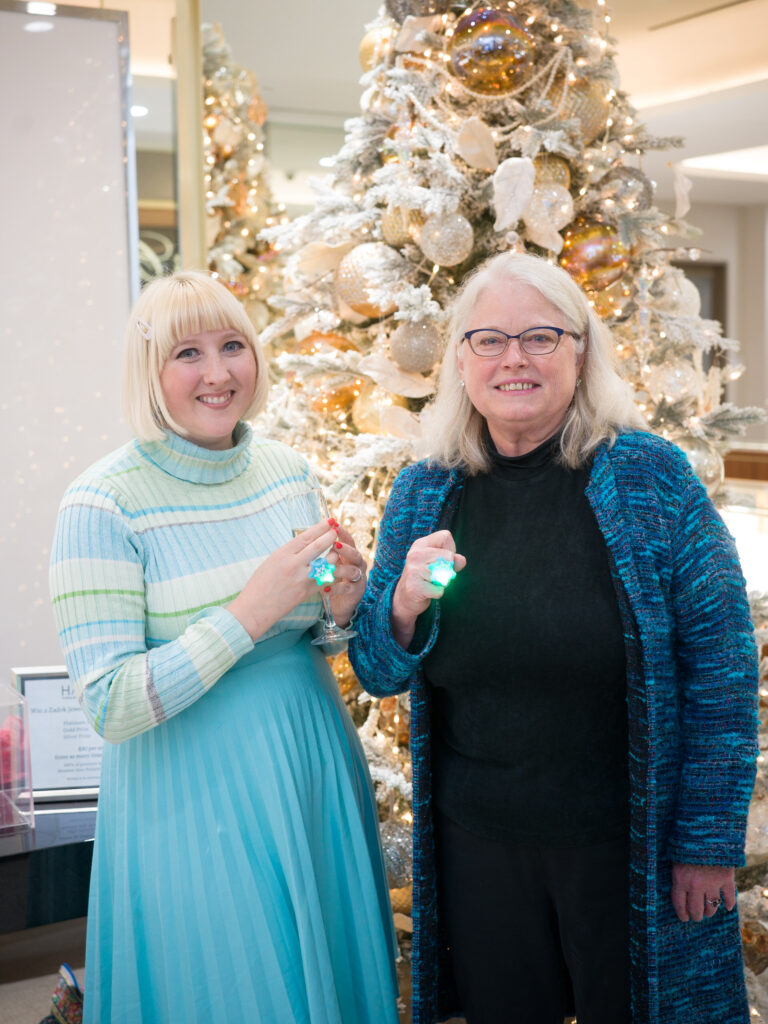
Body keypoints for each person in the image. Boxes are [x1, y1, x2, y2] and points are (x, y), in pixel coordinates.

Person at [349, 251, 758, 1024]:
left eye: (540, 337)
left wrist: (706, 841)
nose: (514, 359)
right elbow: (376, 668)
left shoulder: (651, 478)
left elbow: (723, 668)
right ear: (461, 360)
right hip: (478, 847)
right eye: (489, 339)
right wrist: (401, 605)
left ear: (580, 352)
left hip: (625, 845)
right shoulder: (425, 489)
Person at [49, 270, 400, 1024]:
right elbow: (110, 705)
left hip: (312, 766)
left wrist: (339, 606)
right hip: (190, 797)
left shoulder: (287, 472)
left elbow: (317, 635)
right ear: (149, 372)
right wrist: (246, 612)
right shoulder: (100, 503)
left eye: (233, 346)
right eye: (188, 353)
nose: (217, 373)